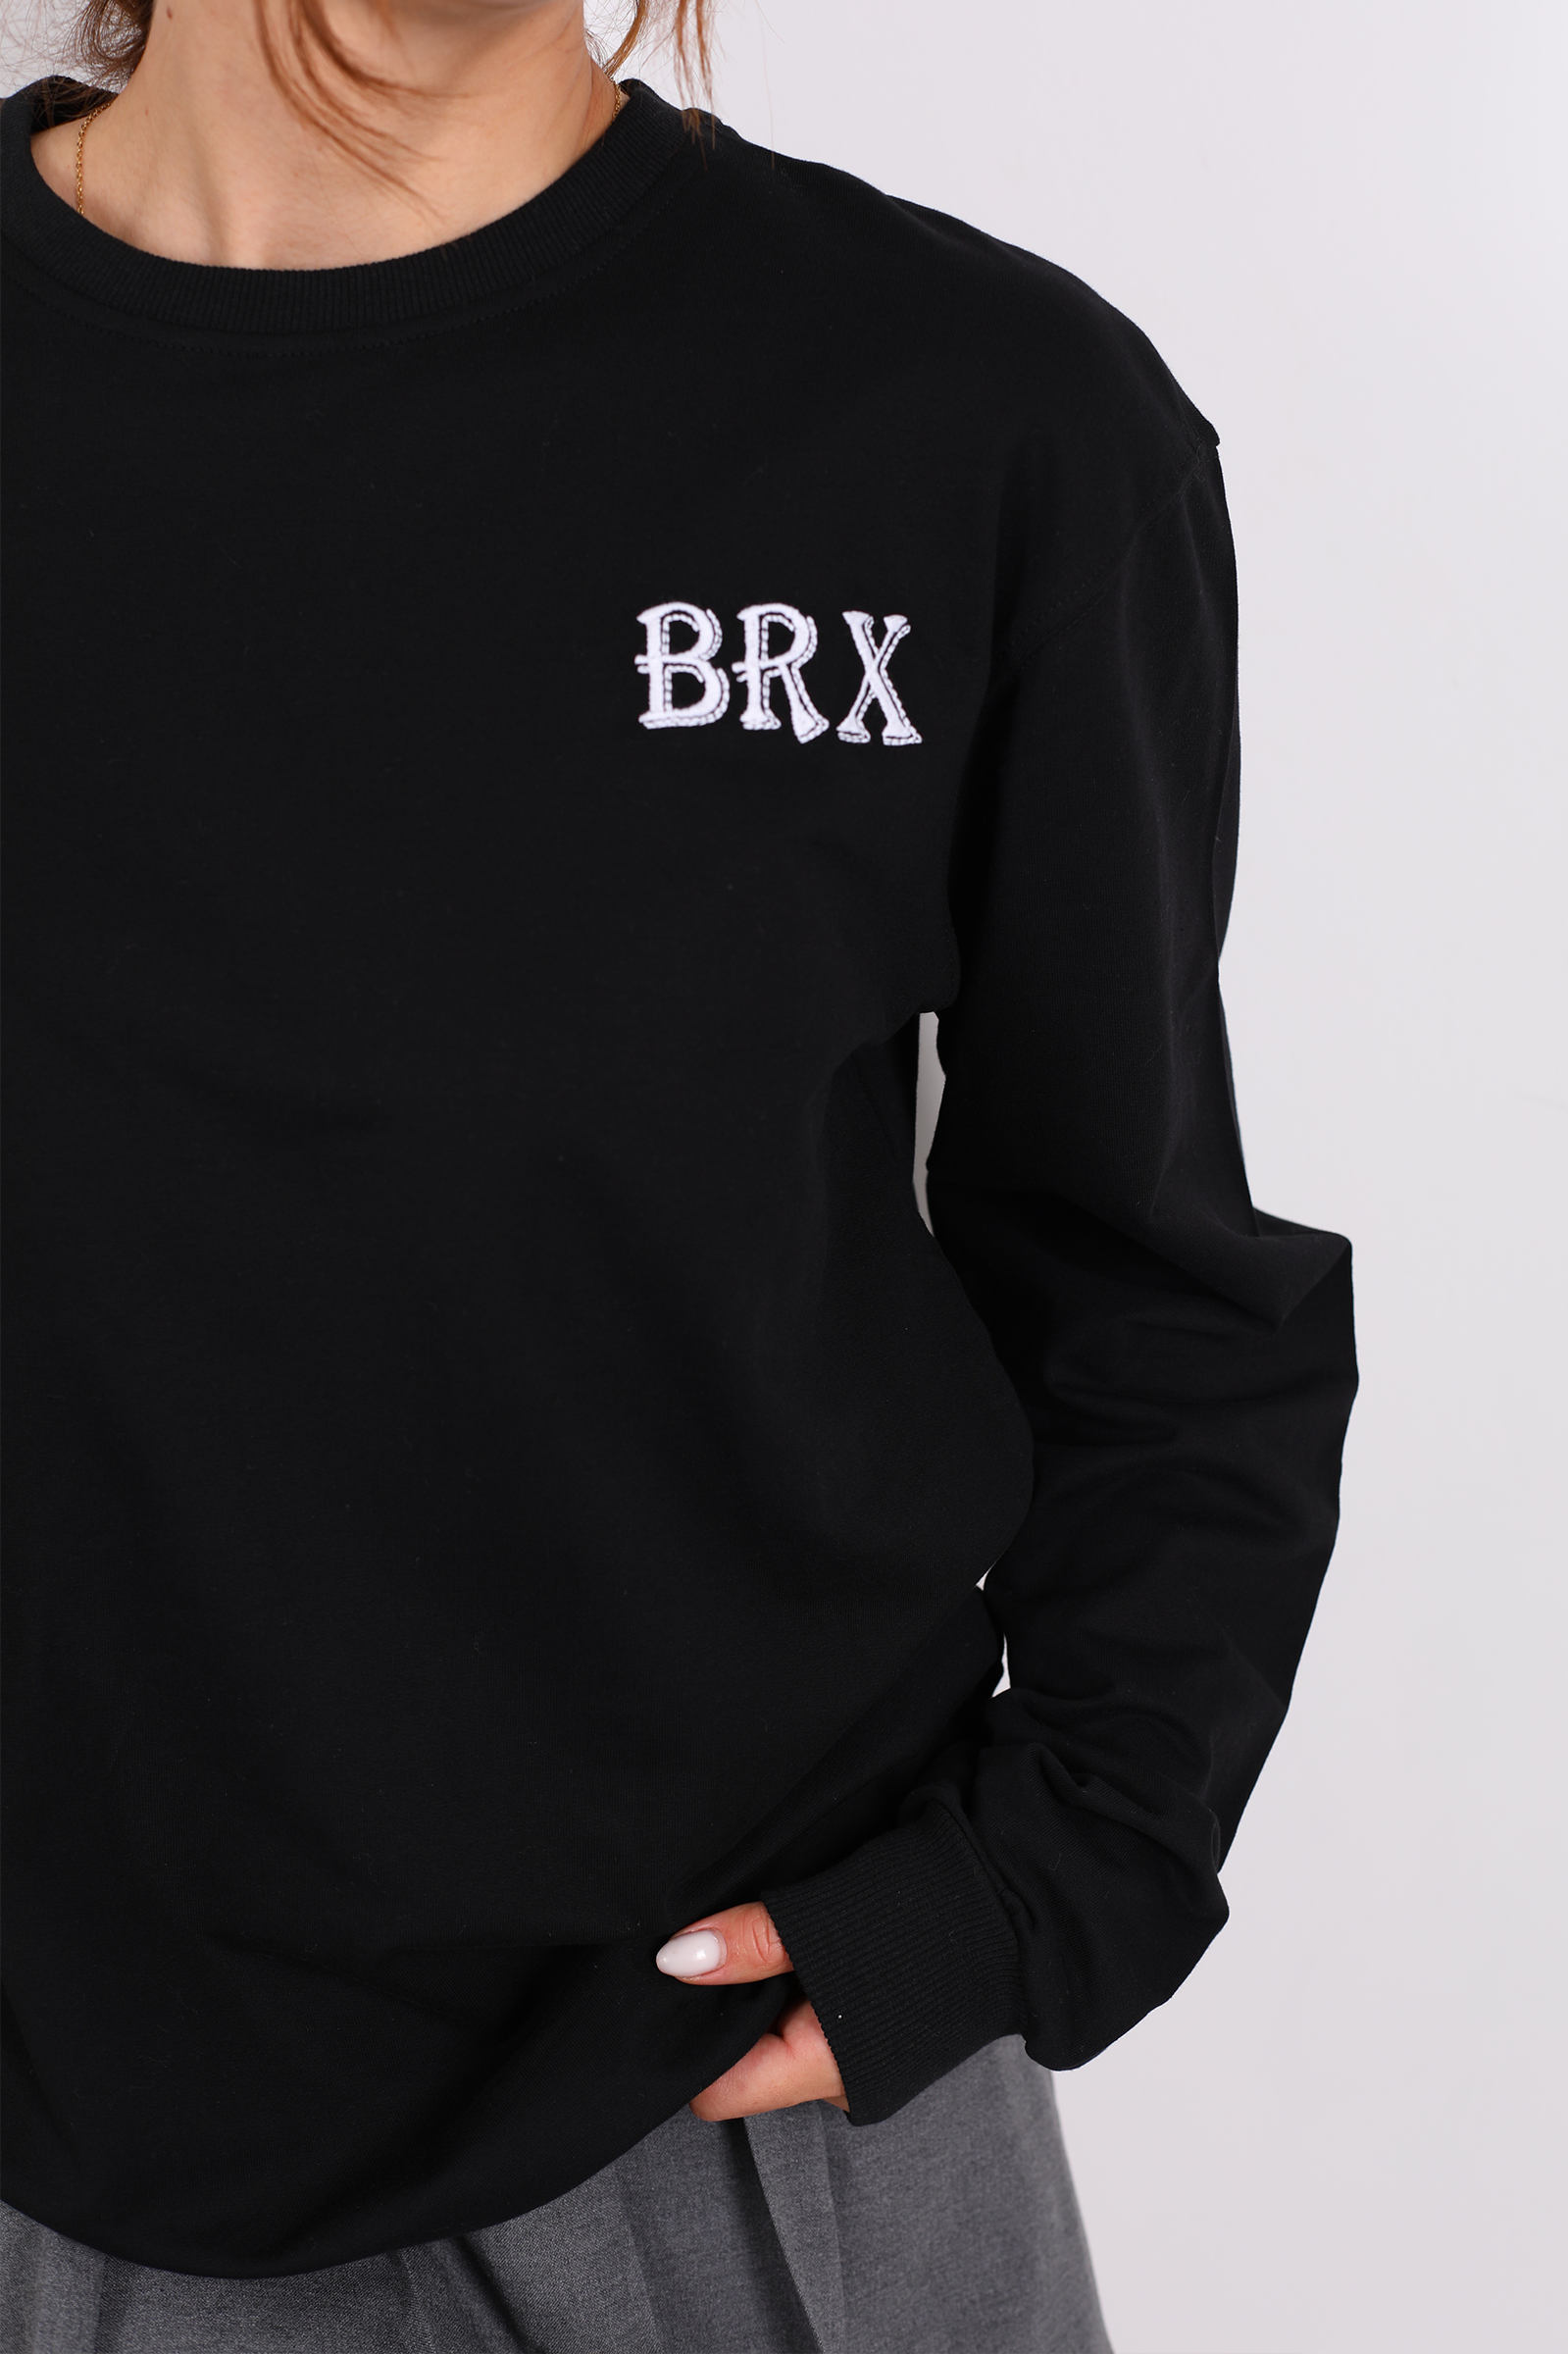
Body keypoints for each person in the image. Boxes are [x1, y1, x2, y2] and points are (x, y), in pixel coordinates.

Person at [0, 0, 1358, 2345]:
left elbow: (1144, 1277)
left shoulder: (972, 415)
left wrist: (1046, 1878)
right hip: (40, 2133)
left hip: (732, 2097)